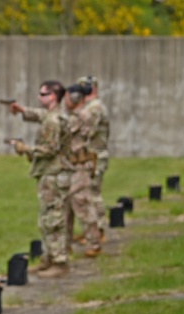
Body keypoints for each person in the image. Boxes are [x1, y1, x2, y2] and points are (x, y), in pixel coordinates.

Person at [9, 81, 72, 278]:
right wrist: (22, 111)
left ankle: (59, 262)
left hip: (53, 174)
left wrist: (24, 149)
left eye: (43, 94)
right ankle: (49, 258)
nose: (39, 97)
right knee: (46, 218)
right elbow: (39, 115)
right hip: (50, 174)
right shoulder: (52, 116)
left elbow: (50, 150)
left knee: (54, 219)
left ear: (53, 96)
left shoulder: (53, 121)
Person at [63, 84, 103, 258]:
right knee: (67, 207)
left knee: (82, 204)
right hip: (72, 166)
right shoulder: (77, 116)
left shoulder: (80, 116)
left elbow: (62, 133)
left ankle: (94, 241)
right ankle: (65, 244)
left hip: (79, 168)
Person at [73, 75, 110, 251]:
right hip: (92, 155)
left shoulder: (94, 108)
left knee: (93, 194)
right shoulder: (91, 107)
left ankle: (98, 229)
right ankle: (92, 230)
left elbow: (87, 132)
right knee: (89, 193)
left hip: (96, 155)